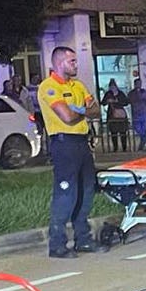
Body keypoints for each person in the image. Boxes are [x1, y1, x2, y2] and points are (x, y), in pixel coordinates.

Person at [37, 47, 100, 259]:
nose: (76, 65)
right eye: (72, 61)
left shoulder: (78, 85)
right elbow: (66, 117)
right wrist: (82, 110)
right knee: (66, 194)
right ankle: (57, 244)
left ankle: (83, 239)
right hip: (63, 144)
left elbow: (97, 111)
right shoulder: (49, 87)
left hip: (82, 143)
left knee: (86, 192)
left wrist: (78, 109)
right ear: (60, 62)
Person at [100, 79, 130, 153]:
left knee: (123, 132)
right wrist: (107, 101)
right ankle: (115, 148)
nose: (112, 88)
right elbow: (103, 102)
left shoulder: (120, 94)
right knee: (114, 133)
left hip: (121, 115)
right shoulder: (108, 94)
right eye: (111, 86)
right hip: (112, 115)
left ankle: (124, 147)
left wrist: (117, 101)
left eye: (113, 86)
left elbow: (126, 102)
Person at [128, 78, 146, 150]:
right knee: (137, 128)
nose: (138, 85)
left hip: (144, 112)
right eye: (137, 83)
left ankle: (142, 145)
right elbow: (129, 100)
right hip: (136, 113)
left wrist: (144, 98)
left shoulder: (145, 92)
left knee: (143, 128)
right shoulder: (131, 93)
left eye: (139, 83)